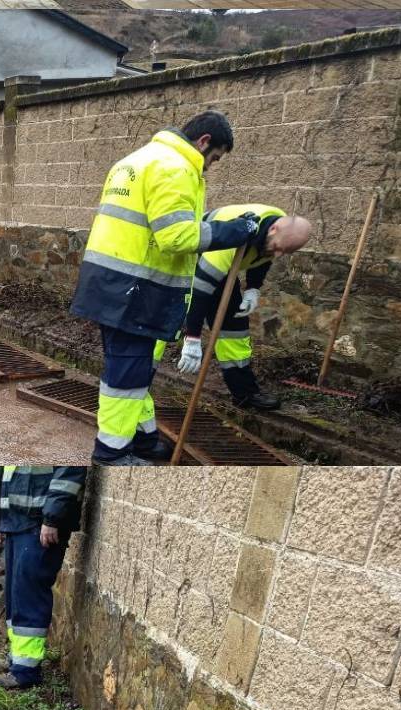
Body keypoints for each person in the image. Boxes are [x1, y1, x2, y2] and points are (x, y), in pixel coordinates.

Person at [70, 112, 262, 465]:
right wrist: (234, 231)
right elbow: (175, 236)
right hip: (137, 290)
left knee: (132, 370)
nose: (211, 167)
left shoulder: (135, 160)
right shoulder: (176, 168)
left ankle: (144, 441)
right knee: (125, 379)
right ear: (203, 142)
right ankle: (111, 454)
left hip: (107, 283)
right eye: (215, 158)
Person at [178, 205, 313, 411]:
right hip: (188, 263)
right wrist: (193, 338)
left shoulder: (280, 229)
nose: (277, 255)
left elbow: (262, 257)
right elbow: (200, 293)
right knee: (167, 325)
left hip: (225, 270)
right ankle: (140, 382)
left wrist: (253, 288)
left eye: (283, 252)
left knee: (234, 331)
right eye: (277, 248)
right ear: (273, 229)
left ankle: (245, 393)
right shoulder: (232, 237)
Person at [0, 467, 87, 690]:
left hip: (39, 521)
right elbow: (2, 474)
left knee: (29, 595)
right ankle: (18, 658)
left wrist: (52, 518)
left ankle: (26, 671)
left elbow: (68, 474)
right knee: (16, 596)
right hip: (16, 521)